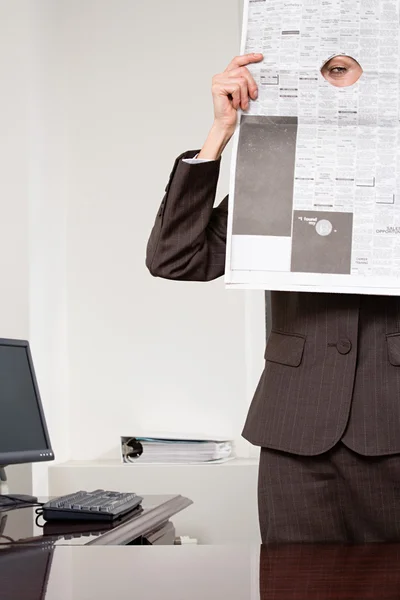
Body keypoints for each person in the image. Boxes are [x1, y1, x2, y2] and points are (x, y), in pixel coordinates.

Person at [146, 53, 400, 544]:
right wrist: (220, 133)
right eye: (325, 70)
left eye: (343, 68)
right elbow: (175, 258)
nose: (332, 83)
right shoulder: (277, 172)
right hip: (294, 432)